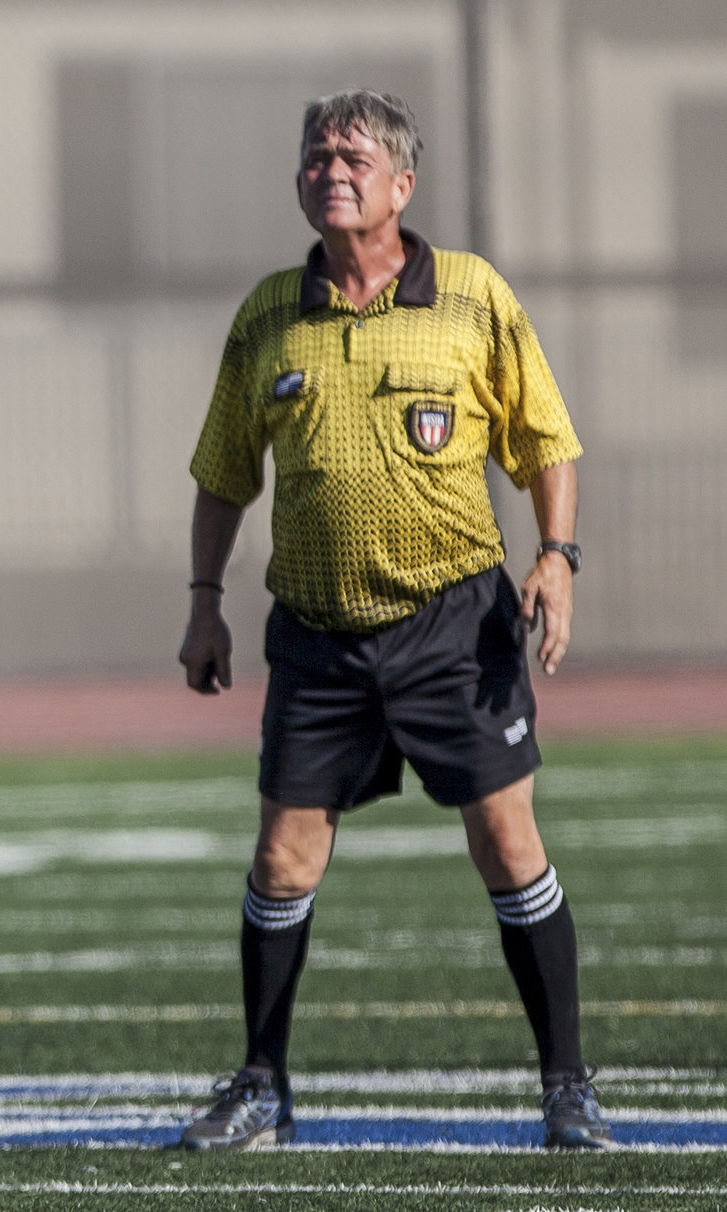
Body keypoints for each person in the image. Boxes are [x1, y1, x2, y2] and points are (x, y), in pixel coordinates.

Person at [175, 89, 606, 1152]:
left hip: (454, 626)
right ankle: (263, 1089)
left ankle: (567, 1089)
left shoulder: (469, 296)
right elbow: (223, 476)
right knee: (281, 860)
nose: (333, 168)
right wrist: (203, 605)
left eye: (354, 155)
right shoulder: (269, 313)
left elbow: (545, 437)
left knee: (507, 845)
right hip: (316, 636)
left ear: (402, 184)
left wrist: (553, 557)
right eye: (317, 154)